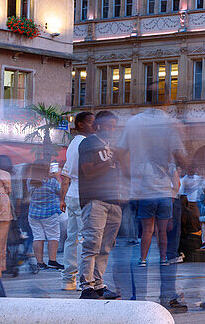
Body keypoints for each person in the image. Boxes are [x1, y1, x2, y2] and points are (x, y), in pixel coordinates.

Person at [120, 107, 187, 271]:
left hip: (147, 197)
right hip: (164, 197)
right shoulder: (169, 166)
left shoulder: (144, 165)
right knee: (163, 231)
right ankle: (163, 258)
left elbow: (136, 179)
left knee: (147, 231)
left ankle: (143, 259)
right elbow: (177, 184)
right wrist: (171, 195)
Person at [77, 110, 122, 300]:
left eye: (113, 126)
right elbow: (88, 172)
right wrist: (110, 161)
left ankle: (98, 283)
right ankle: (87, 286)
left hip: (113, 200)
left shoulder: (110, 146)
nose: (111, 130)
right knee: (92, 243)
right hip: (95, 199)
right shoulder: (89, 143)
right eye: (108, 126)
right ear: (98, 125)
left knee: (105, 246)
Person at [59, 111, 94, 290]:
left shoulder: (73, 144)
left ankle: (68, 279)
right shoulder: (86, 143)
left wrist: (62, 198)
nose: (94, 125)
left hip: (73, 193)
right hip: (84, 193)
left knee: (72, 239)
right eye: (90, 122)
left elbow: (65, 175)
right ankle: (83, 279)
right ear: (80, 124)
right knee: (84, 238)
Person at [27, 162, 62, 270]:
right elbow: (61, 191)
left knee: (38, 237)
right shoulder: (51, 182)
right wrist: (57, 177)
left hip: (33, 214)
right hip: (49, 214)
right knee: (53, 236)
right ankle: (52, 260)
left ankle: (40, 263)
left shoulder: (30, 181)